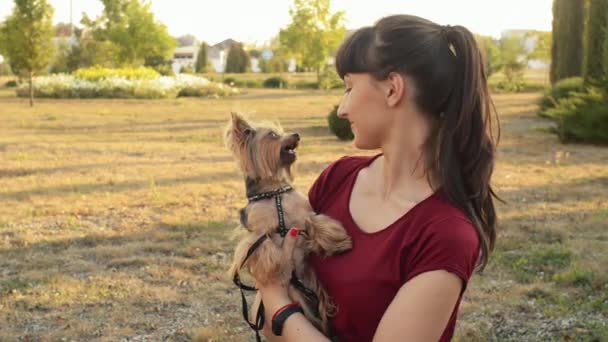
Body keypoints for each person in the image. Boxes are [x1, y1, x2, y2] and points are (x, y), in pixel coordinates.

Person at [256, 14, 499, 342]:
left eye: (349, 87)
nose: (342, 109)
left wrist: (277, 303)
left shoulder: (446, 234)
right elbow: (266, 314)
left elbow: (272, 298)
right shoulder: (338, 178)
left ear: (392, 89)